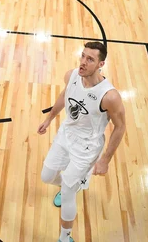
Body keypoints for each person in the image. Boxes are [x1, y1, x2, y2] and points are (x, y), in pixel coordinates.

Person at [38, 42, 126, 242]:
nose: (83, 63)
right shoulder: (72, 76)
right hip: (65, 135)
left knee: (68, 192)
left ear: (101, 64)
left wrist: (105, 160)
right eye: (83, 56)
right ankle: (72, 184)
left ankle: (64, 238)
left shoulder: (109, 96)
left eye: (90, 59)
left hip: (86, 148)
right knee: (46, 176)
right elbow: (64, 96)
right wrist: (49, 118)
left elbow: (120, 127)